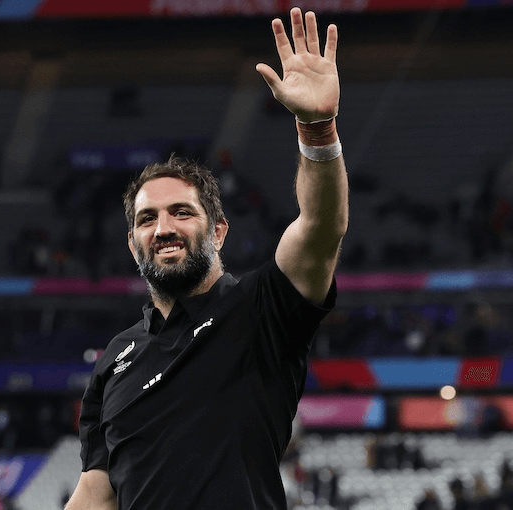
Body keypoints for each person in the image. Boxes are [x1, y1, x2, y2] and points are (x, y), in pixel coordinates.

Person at [65, 8, 347, 510]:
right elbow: (96, 492)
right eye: (147, 219)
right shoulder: (114, 361)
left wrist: (317, 128)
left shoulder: (261, 310)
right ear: (133, 244)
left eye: (181, 213)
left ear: (218, 230)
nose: (164, 229)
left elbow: (321, 229)